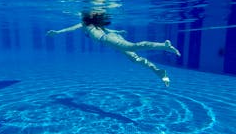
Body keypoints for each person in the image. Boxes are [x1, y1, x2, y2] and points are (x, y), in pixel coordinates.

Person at [47, 11, 181, 86]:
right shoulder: (92, 24)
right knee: (135, 59)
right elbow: (107, 29)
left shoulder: (84, 24)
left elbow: (71, 28)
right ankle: (159, 72)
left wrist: (57, 32)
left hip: (107, 39)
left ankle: (163, 46)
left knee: (132, 46)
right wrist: (119, 32)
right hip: (111, 37)